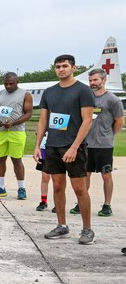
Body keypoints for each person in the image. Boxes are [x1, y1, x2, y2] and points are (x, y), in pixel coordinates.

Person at [32, 54, 96, 244]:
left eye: (65, 66)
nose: (61, 69)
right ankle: (62, 226)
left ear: (73, 68)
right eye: (58, 66)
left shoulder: (83, 91)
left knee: (79, 188)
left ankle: (87, 229)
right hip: (52, 145)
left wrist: (75, 147)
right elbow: (43, 120)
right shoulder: (49, 92)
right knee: (58, 186)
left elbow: (87, 121)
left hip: (73, 146)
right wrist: (37, 145)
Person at [79, 68, 124, 217]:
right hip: (86, 143)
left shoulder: (112, 99)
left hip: (104, 144)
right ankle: (82, 202)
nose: (93, 83)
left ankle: (107, 205)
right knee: (85, 174)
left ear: (104, 80)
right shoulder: (86, 98)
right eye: (91, 80)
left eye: (96, 80)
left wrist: (109, 135)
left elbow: (119, 121)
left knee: (106, 174)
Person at [0, 73, 33, 200]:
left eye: (11, 83)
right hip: (0, 131)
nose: (8, 86)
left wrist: (13, 123)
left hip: (17, 131)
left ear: (17, 81)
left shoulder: (25, 94)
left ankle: (21, 188)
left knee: (16, 160)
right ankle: (1, 187)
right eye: (6, 84)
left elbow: (29, 113)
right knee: (0, 159)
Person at [35, 130, 54, 211]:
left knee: (57, 178)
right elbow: (38, 131)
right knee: (45, 177)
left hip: (56, 148)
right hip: (44, 148)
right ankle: (43, 201)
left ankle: (58, 202)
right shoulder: (45, 119)